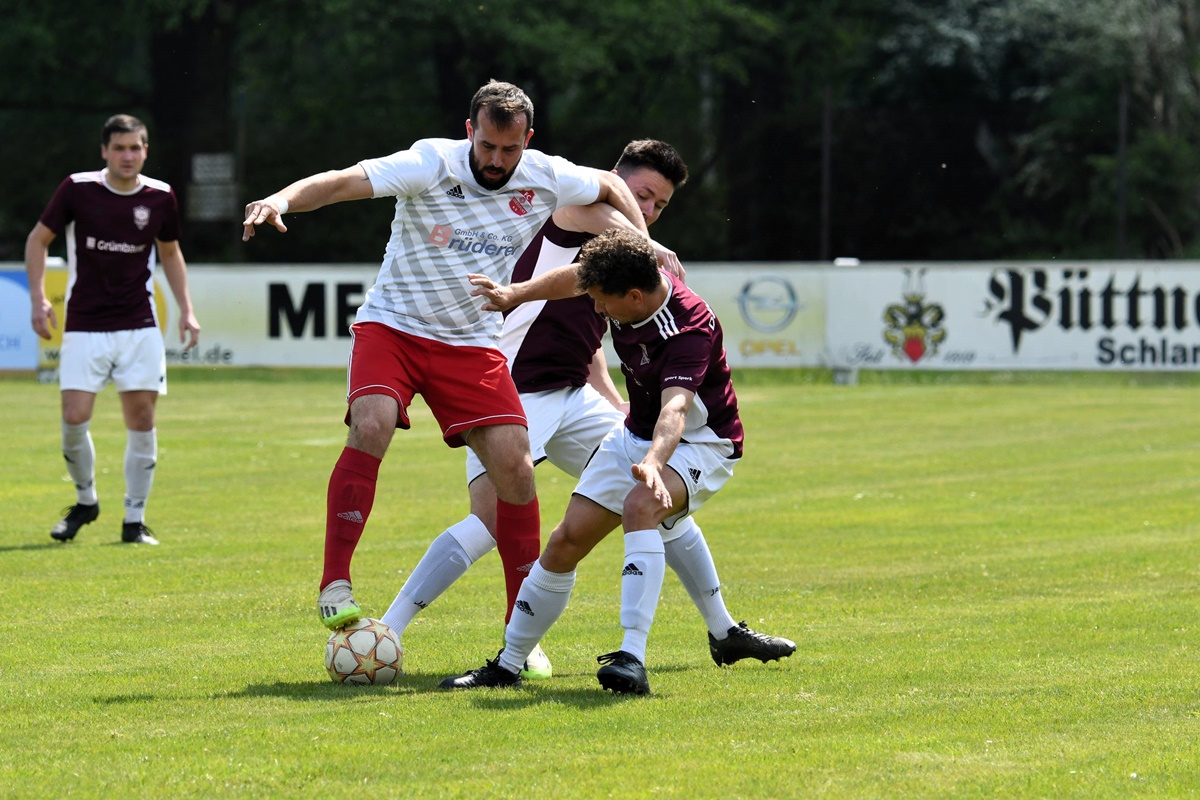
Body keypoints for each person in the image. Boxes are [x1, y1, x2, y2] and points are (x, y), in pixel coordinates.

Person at [240, 80, 649, 631]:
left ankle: (518, 633)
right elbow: (341, 183)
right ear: (469, 132)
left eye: (510, 150)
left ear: (528, 140)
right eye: (487, 147)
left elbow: (606, 184)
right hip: (395, 328)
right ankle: (335, 581)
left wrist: (645, 246)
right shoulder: (430, 162)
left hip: (471, 343)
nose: (498, 161)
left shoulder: (545, 173)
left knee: (516, 469)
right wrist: (280, 200)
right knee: (373, 422)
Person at [382, 140, 794, 680]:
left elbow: (605, 352)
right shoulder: (575, 205)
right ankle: (390, 629)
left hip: (582, 400)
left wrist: (621, 412)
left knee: (652, 503)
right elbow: (587, 267)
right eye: (641, 195)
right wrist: (525, 290)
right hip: (515, 391)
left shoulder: (642, 285)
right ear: (616, 181)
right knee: (497, 521)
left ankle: (711, 633)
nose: (645, 210)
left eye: (659, 205)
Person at [443, 226, 791, 694]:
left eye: (603, 302)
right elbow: (574, 279)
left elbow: (677, 409)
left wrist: (652, 462)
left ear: (633, 295)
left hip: (702, 442)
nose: (597, 309)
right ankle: (506, 666)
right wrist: (515, 294)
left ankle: (631, 658)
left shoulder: (688, 326)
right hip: (635, 435)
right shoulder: (621, 284)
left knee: (640, 507)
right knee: (565, 541)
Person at [25, 113, 202, 546]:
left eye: (136, 147)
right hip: (85, 323)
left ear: (146, 150)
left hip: (139, 324)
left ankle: (133, 521)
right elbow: (37, 240)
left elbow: (171, 253)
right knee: (74, 417)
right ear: (104, 151)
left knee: (141, 418)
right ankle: (86, 502)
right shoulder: (77, 188)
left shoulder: (161, 196)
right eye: (119, 148)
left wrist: (186, 309)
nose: (128, 155)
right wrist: (38, 298)